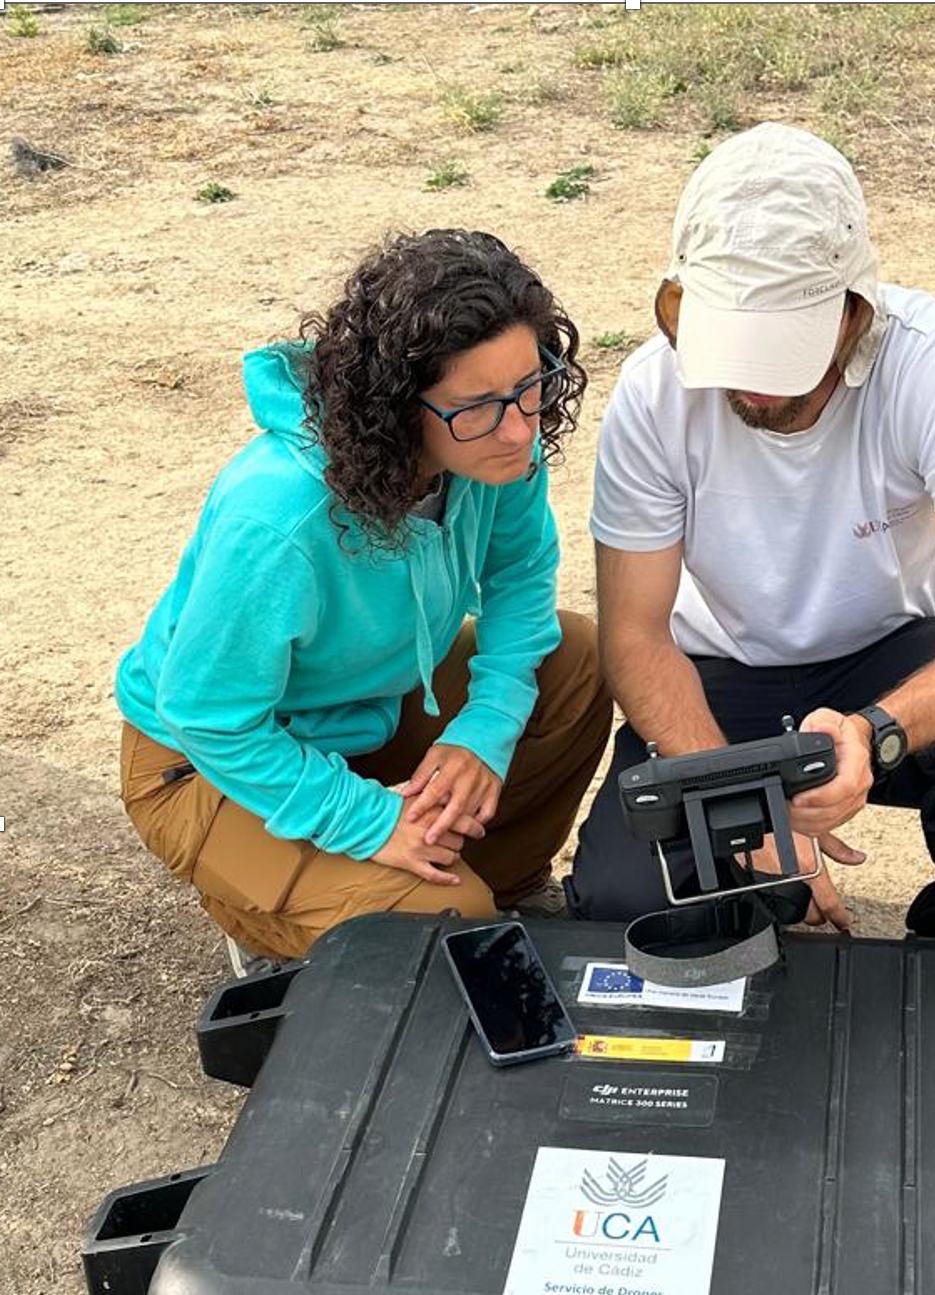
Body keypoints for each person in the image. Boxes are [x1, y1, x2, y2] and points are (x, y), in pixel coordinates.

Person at [566, 123, 935, 956]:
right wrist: (741, 797)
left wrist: (874, 731)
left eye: (781, 350)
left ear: (854, 310)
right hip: (719, 677)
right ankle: (762, 897)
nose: (751, 382)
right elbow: (638, 637)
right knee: (628, 905)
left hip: (898, 655)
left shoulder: (934, 363)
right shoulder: (651, 396)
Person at [117, 229, 612, 970]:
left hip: (368, 708)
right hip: (205, 764)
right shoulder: (278, 517)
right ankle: (263, 913)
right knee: (447, 933)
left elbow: (520, 580)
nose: (520, 430)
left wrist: (484, 728)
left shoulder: (499, 439)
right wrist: (370, 821)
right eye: (476, 406)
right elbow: (209, 718)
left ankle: (487, 887)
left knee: (574, 661)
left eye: (532, 384)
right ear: (393, 408)